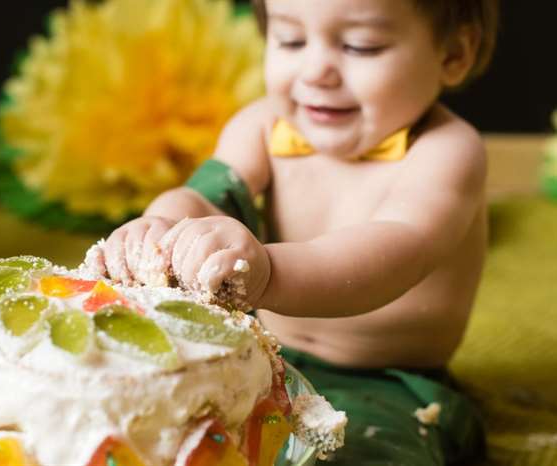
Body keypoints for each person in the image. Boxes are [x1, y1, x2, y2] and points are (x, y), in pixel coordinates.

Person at [94, 0, 499, 463]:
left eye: (358, 46)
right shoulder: (263, 125)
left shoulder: (447, 151)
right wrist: (159, 225)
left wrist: (269, 273)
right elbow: (206, 196)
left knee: (359, 452)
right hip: (253, 354)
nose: (316, 71)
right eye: (291, 40)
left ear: (453, 55)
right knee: (148, 429)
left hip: (387, 384)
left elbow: (396, 250)